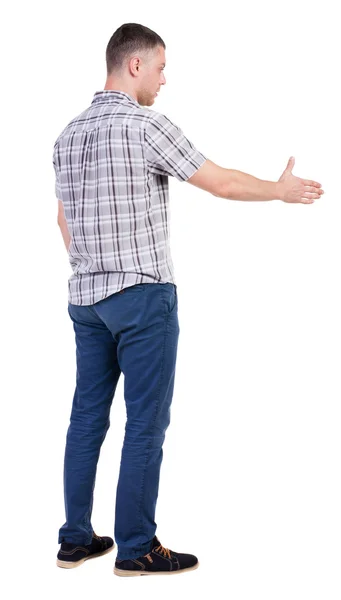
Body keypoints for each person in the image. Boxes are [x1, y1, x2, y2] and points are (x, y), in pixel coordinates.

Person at [53, 22, 324, 577]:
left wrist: (93, 269)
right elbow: (219, 181)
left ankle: (75, 539)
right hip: (142, 297)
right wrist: (278, 190)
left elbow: (63, 220)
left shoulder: (67, 135)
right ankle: (135, 548)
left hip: (86, 299)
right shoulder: (144, 124)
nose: (163, 79)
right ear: (134, 65)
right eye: (159, 67)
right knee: (145, 424)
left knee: (86, 419)